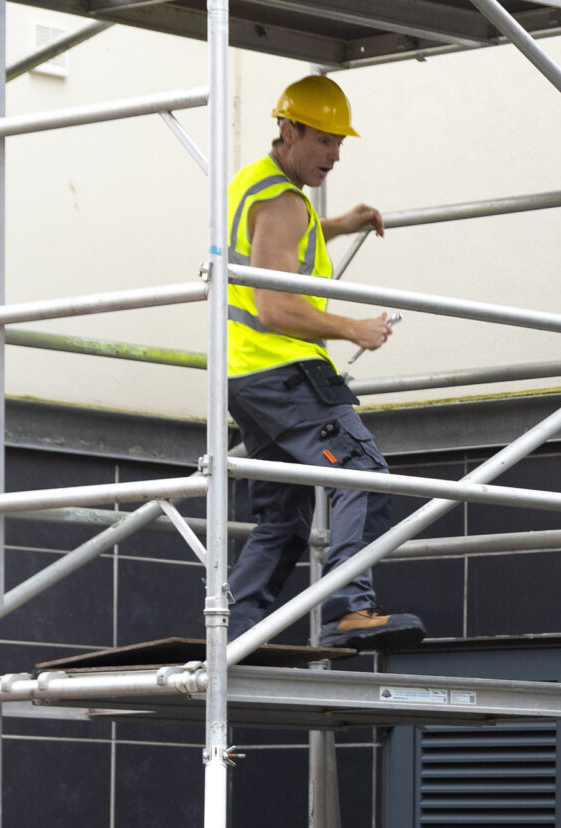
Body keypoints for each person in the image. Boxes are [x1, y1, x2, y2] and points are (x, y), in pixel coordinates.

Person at [220, 74, 426, 652]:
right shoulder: (284, 203)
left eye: (341, 143)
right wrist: (351, 327)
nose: (334, 155)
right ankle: (348, 608)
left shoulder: (256, 186)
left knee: (283, 517)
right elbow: (276, 304)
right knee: (359, 471)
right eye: (324, 140)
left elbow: (277, 244)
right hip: (285, 371)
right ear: (288, 129)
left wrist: (337, 224)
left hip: (246, 377)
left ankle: (235, 633)